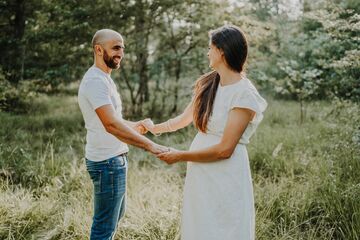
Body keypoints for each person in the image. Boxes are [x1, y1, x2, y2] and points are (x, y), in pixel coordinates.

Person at [143, 25, 267, 240]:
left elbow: (224, 150)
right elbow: (182, 120)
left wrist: (179, 155)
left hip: (226, 174)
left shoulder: (244, 95)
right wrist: (154, 128)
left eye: (210, 48)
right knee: (200, 226)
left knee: (226, 228)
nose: (207, 52)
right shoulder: (209, 84)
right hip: (201, 174)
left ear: (222, 51)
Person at [78, 29, 168, 240]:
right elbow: (111, 125)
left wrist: (135, 125)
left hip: (114, 160)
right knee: (103, 229)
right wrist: (150, 146)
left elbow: (113, 120)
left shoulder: (105, 79)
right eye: (116, 48)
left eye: (122, 49)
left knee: (115, 218)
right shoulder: (95, 82)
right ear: (98, 50)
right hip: (106, 163)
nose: (121, 53)